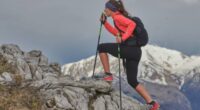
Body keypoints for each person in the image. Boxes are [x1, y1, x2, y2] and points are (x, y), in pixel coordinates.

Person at [97, 0, 160, 109]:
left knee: (102, 47)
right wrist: (105, 23)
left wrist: (123, 38)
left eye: (106, 8)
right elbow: (116, 33)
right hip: (135, 52)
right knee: (132, 81)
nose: (104, 10)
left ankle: (108, 75)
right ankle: (152, 104)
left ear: (111, 9)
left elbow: (132, 24)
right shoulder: (117, 19)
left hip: (129, 50)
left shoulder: (117, 17)